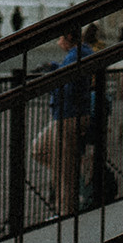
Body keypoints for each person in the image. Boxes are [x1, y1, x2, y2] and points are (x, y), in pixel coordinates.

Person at [27, 30, 92, 215]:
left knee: (64, 173)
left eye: (60, 37)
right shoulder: (79, 53)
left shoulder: (76, 55)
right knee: (39, 149)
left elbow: (68, 88)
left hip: (68, 115)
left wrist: (52, 84)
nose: (58, 42)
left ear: (69, 37)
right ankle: (73, 171)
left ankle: (65, 214)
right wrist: (54, 66)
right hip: (67, 115)